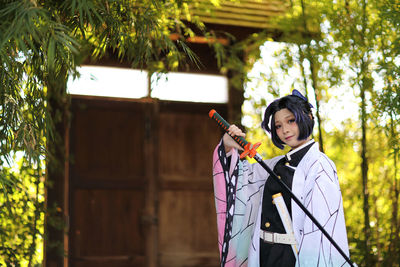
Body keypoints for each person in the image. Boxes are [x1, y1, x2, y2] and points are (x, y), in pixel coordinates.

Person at [212, 90, 349, 267]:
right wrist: (228, 147)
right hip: (264, 253)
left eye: (291, 121)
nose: (284, 130)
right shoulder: (277, 164)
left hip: (292, 256)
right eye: (278, 126)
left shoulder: (320, 166)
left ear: (308, 117)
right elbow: (241, 181)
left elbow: (320, 233)